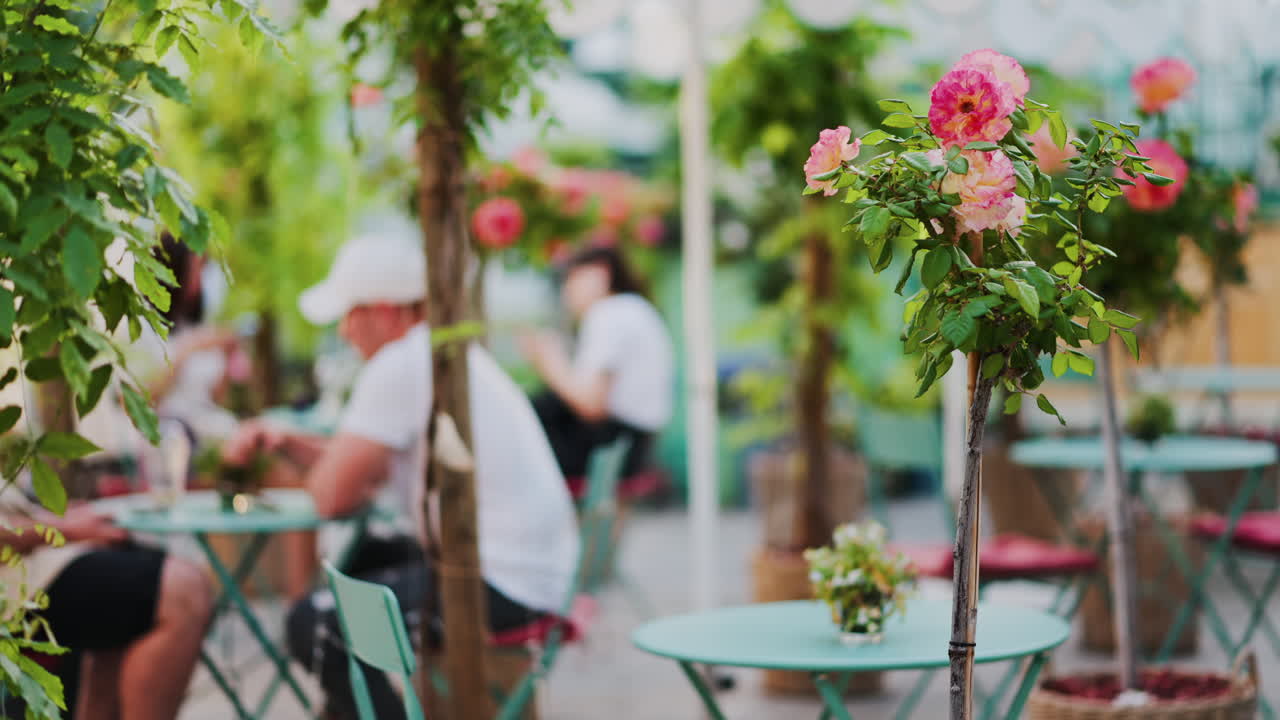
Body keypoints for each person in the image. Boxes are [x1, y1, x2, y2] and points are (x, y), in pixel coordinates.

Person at [219, 236, 579, 720]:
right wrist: (289, 441)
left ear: (386, 312)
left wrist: (287, 456)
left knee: (316, 624)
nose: (345, 331)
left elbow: (329, 497)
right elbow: (362, 468)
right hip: (528, 573)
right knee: (356, 562)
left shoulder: (400, 363)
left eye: (350, 314)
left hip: (505, 586)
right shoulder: (435, 353)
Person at [0, 478, 214, 720]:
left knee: (153, 570)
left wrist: (55, 517)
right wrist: (66, 529)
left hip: (33, 562)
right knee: (182, 591)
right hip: (16, 584)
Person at [519, 246, 674, 478]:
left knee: (523, 420)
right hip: (636, 443)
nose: (566, 291)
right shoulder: (634, 308)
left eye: (571, 279)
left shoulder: (609, 313)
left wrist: (549, 361)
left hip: (612, 444)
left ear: (600, 274)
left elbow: (591, 405)